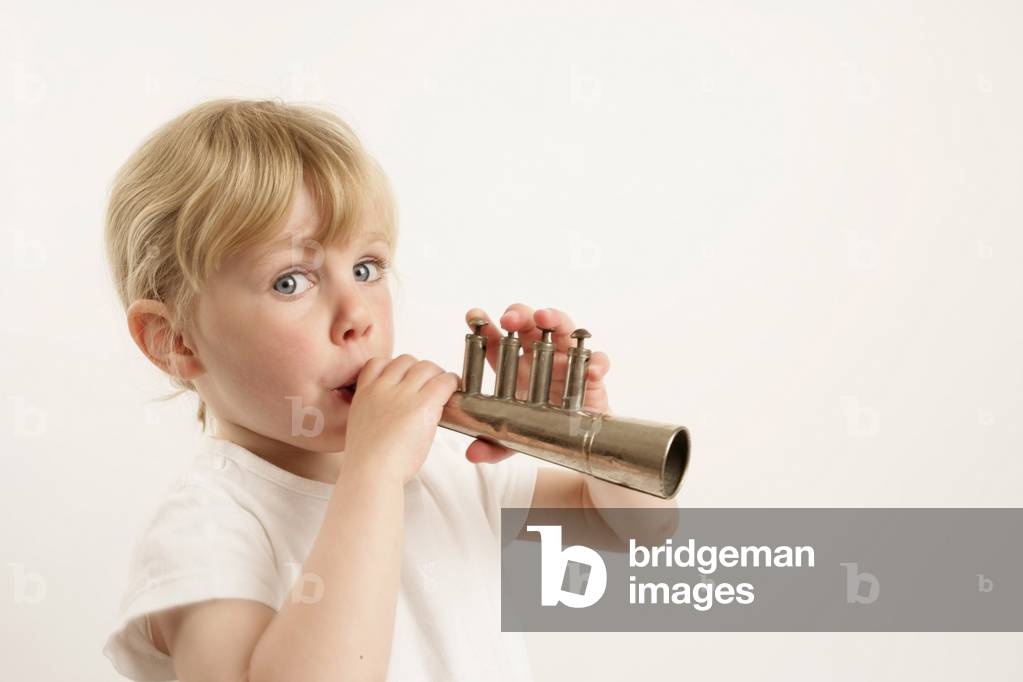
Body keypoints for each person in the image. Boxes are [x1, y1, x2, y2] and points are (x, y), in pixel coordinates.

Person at [100, 98, 669, 681]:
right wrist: (371, 476)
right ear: (175, 340)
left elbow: (636, 531)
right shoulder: (204, 533)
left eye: (367, 269)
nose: (357, 315)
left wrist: (590, 438)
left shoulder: (446, 465)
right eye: (290, 281)